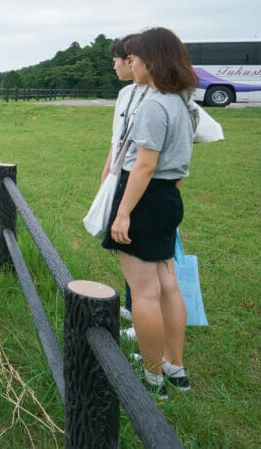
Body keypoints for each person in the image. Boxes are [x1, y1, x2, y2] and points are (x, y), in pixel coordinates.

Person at [102, 27, 197, 399]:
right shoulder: (183, 103)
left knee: (143, 292)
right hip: (168, 197)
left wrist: (123, 213)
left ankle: (153, 377)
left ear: (152, 62)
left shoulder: (154, 104)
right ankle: (175, 367)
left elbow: (143, 166)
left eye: (136, 59)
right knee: (167, 285)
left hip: (143, 198)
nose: (132, 64)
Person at [102, 35, 146, 330]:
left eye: (116, 61)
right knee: (126, 247)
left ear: (131, 60)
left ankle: (141, 315)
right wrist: (106, 176)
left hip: (140, 182)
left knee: (139, 248)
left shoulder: (157, 99)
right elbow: (115, 141)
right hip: (121, 177)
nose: (115, 66)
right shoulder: (125, 94)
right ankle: (132, 308)